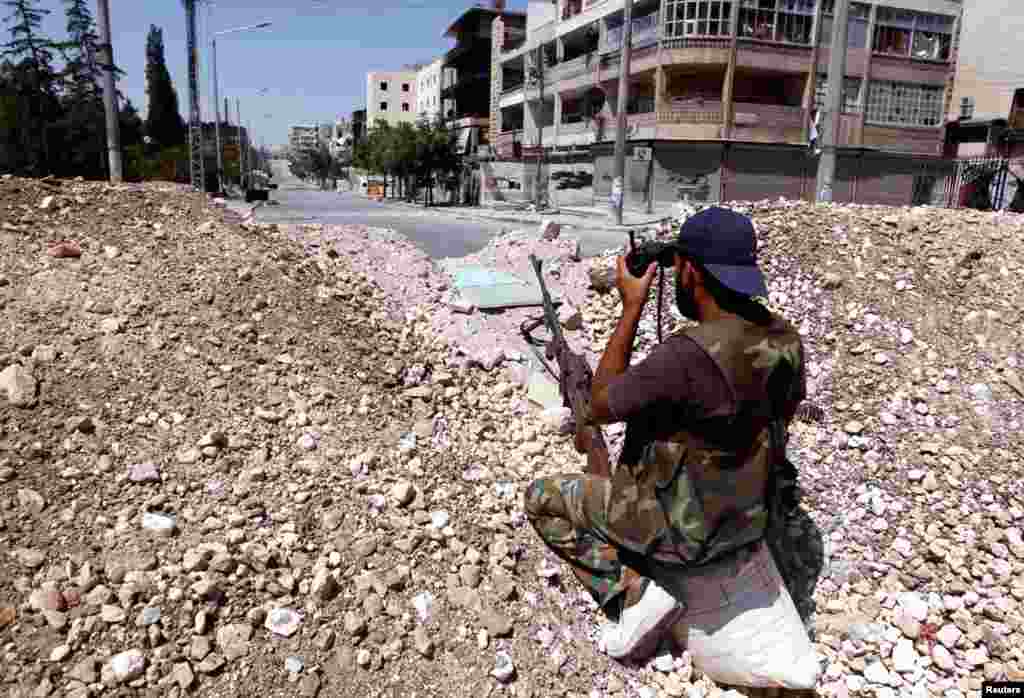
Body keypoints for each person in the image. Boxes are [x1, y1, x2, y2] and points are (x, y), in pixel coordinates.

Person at [524, 207, 806, 661]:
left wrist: (631, 307)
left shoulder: (686, 355)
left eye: (679, 267)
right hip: (750, 518)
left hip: (685, 534)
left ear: (691, 270)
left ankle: (634, 594)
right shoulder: (785, 339)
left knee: (541, 497)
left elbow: (599, 406)